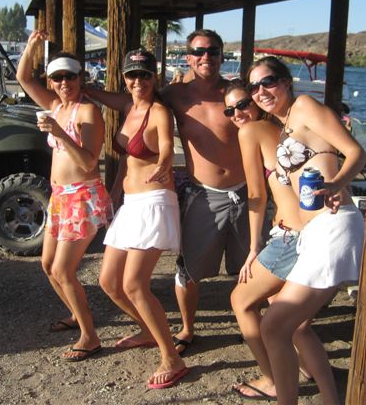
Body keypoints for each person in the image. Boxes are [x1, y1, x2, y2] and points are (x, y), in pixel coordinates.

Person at [248, 56, 366, 404]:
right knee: (294, 327)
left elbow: (356, 152)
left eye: (268, 82)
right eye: (254, 87)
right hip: (313, 233)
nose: (260, 91)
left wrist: (337, 183)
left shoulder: (304, 107)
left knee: (273, 326)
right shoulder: (285, 124)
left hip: (333, 225)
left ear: (286, 81)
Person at [85, 48, 188, 388]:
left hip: (155, 201)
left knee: (134, 284)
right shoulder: (128, 106)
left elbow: (167, 146)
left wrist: (163, 166)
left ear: (154, 77)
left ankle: (172, 357)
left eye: (144, 74)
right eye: (132, 75)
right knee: (109, 282)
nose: (138, 80)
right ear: (124, 78)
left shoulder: (159, 111)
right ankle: (147, 330)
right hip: (130, 203)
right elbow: (97, 94)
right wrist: (113, 195)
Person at [16, 31, 112, 362]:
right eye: (57, 78)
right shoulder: (56, 106)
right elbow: (23, 78)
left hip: (82, 197)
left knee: (64, 270)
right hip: (59, 197)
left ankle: (90, 336)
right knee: (47, 265)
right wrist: (31, 46)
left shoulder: (88, 112)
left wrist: (60, 134)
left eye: (69, 76)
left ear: (81, 78)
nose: (63, 83)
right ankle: (75, 312)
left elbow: (88, 162)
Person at [161, 29, 250, 355]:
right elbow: (135, 103)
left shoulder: (236, 93)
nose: (206, 57)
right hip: (204, 194)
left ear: (222, 55)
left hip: (246, 192)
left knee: (253, 266)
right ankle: (187, 328)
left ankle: (251, 324)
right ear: (188, 57)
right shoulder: (174, 94)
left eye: (213, 51)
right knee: (188, 269)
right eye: (198, 51)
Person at [223, 83, 310, 400]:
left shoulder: (251, 131)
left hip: (289, 237)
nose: (237, 114)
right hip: (306, 232)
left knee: (241, 301)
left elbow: (256, 194)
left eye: (242, 104)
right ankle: (306, 367)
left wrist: (253, 248)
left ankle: (272, 379)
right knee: (280, 306)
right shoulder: (281, 129)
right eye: (229, 110)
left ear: (256, 103)